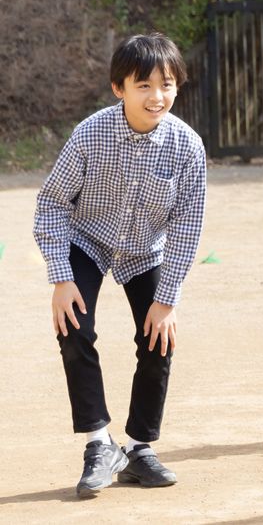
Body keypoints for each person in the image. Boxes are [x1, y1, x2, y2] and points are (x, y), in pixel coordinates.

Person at [34, 33, 207, 498]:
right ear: (119, 88)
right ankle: (98, 444)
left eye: (167, 85)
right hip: (86, 240)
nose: (157, 97)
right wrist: (60, 276)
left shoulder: (188, 147)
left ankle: (139, 449)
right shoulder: (90, 134)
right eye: (144, 86)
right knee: (73, 329)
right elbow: (50, 204)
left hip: (144, 250)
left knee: (159, 340)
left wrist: (167, 299)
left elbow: (188, 227)